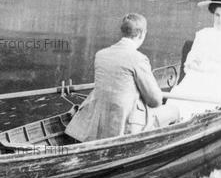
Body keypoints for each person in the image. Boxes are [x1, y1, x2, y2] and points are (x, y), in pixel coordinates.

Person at [65, 13, 179, 142]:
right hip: (124, 126)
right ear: (142, 34)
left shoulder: (101, 55)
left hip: (99, 123)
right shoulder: (138, 59)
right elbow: (155, 101)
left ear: (122, 32)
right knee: (174, 111)